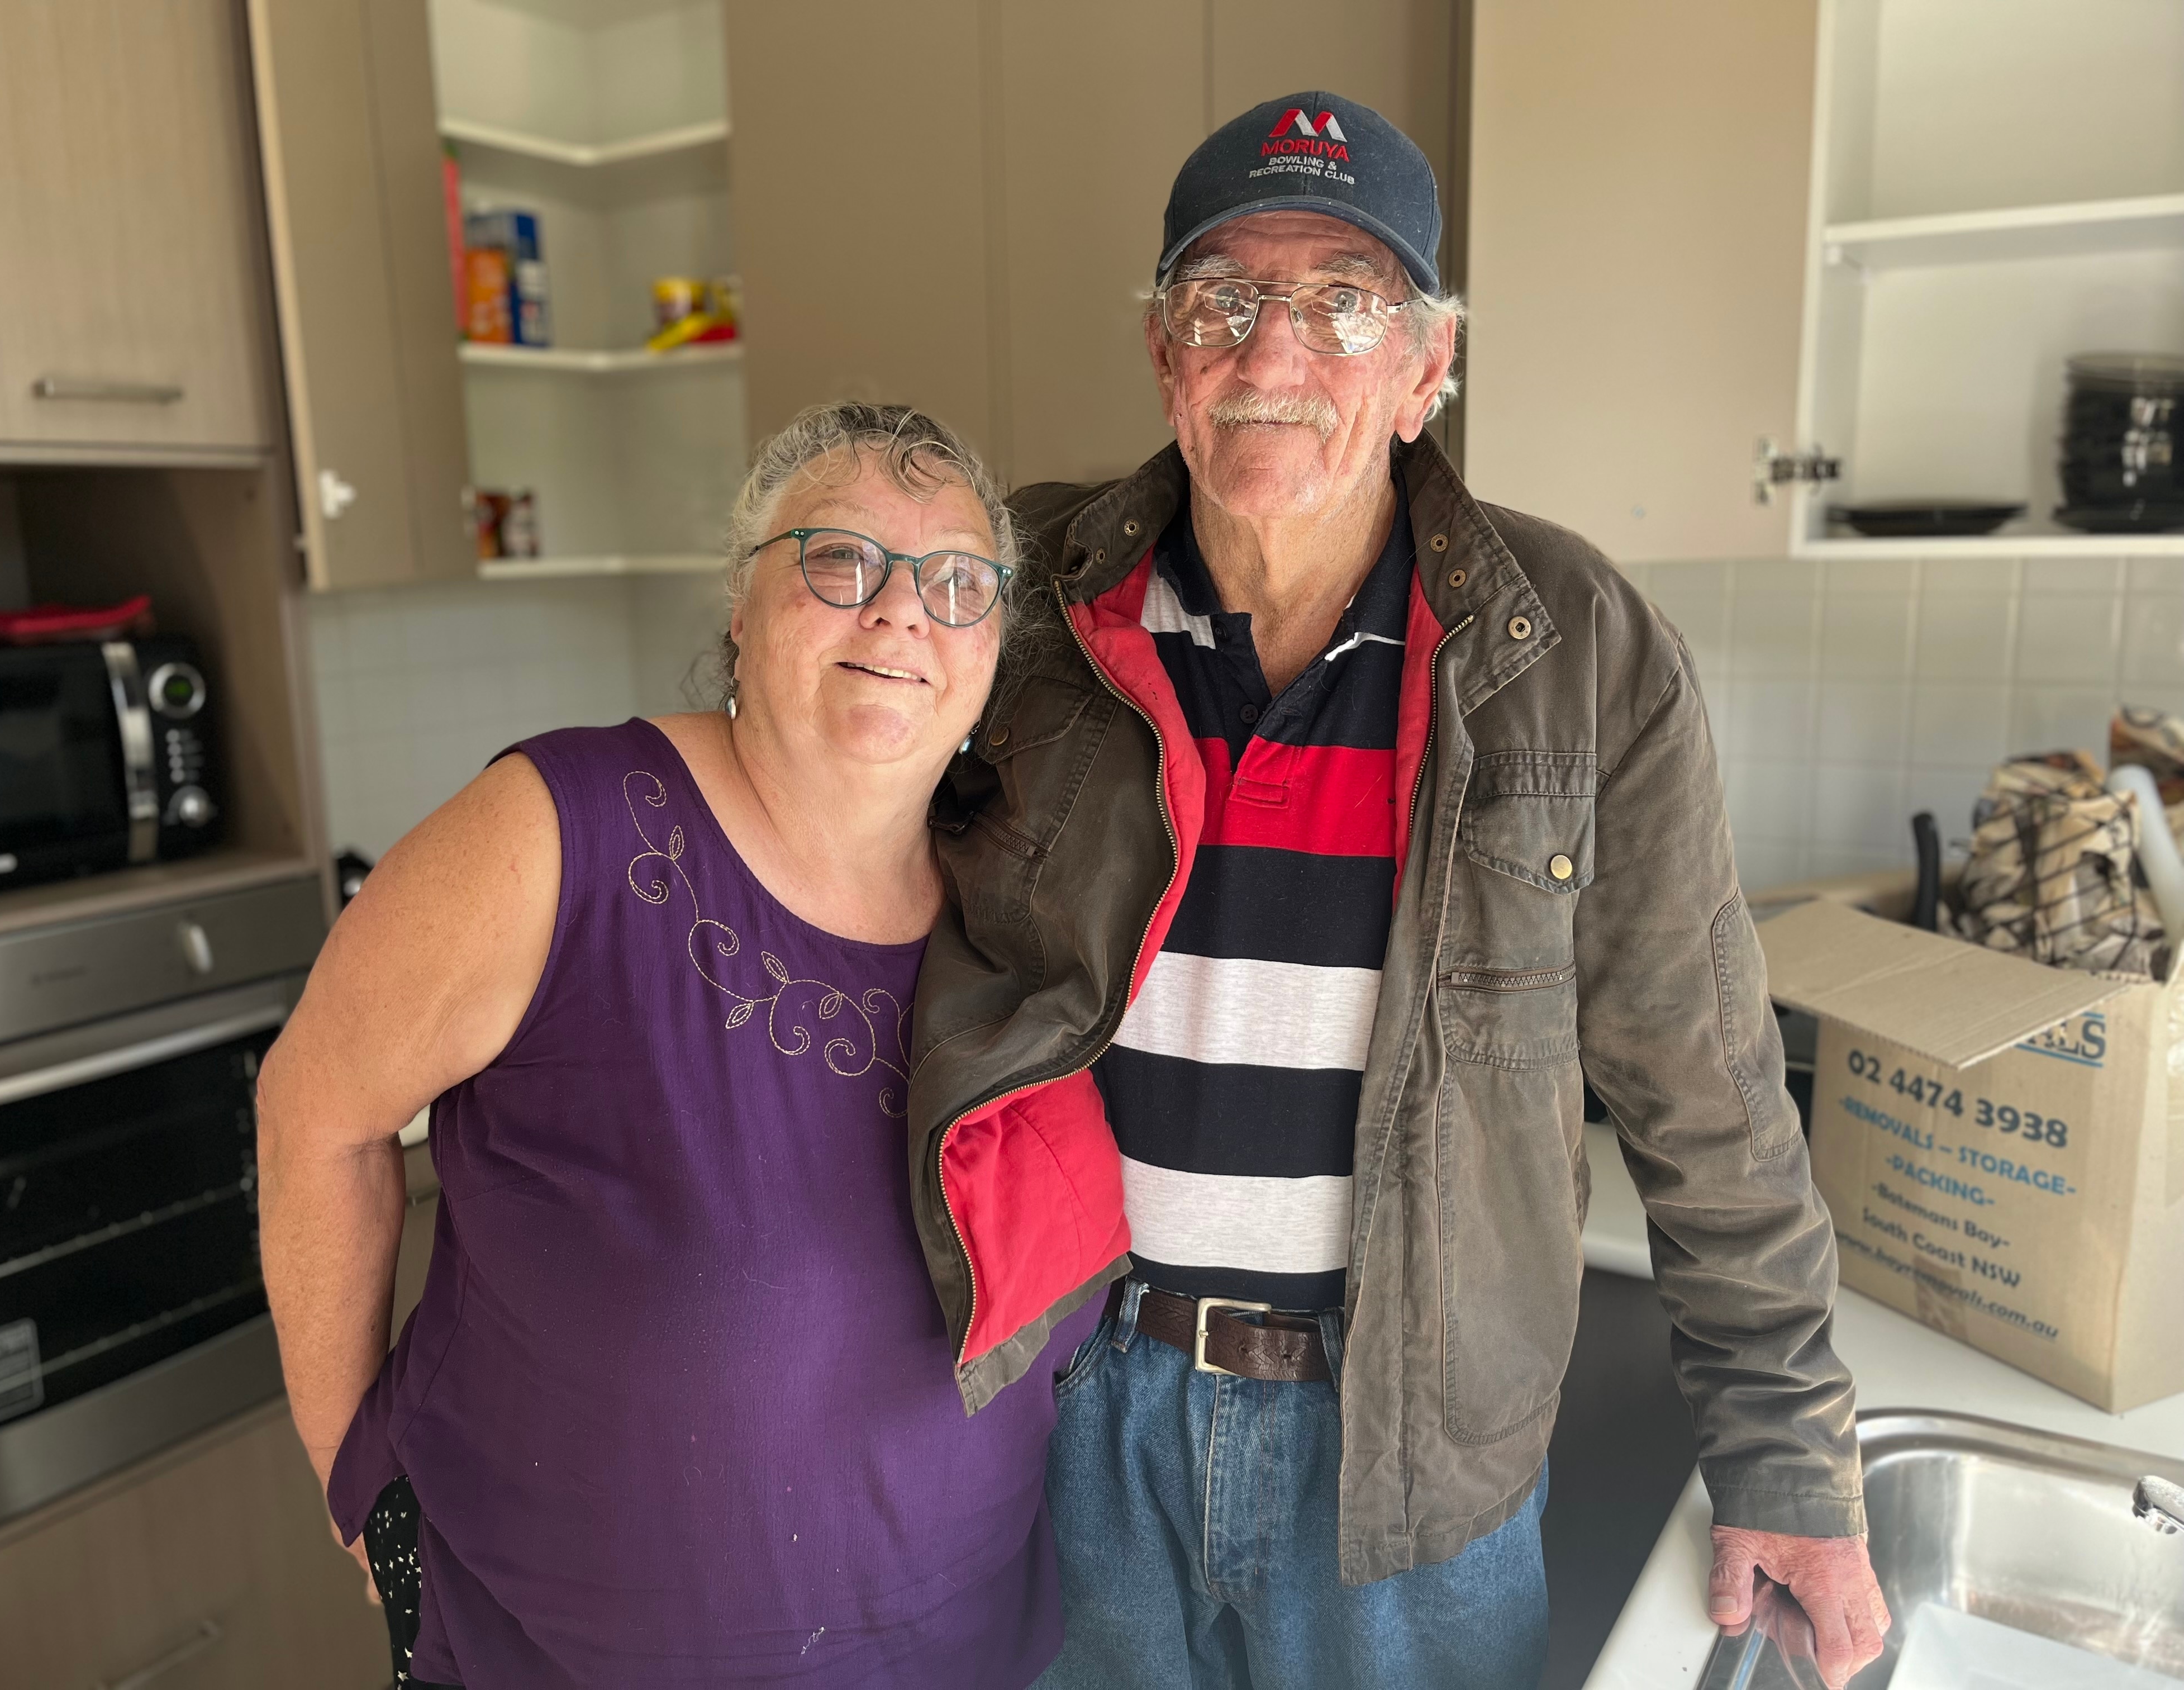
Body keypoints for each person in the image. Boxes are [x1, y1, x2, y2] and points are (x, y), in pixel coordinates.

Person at [900, 93, 1895, 1688]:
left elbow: (1706, 1092)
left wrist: (1789, 1463)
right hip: (1072, 1408)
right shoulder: (1022, 608)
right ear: (1166, 353)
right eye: (1224, 299)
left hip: (1408, 1456)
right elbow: (833, 879)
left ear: (1430, 371)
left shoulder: (1579, 651)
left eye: (1343, 306)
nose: (1273, 353)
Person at [256, 402, 1100, 1688]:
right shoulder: (559, 837)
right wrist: (347, 1472)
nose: (901, 613)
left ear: (994, 656)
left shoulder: (1025, 900)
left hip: (975, 1648)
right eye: (839, 560)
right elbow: (316, 1114)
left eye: (957, 582)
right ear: (740, 613)